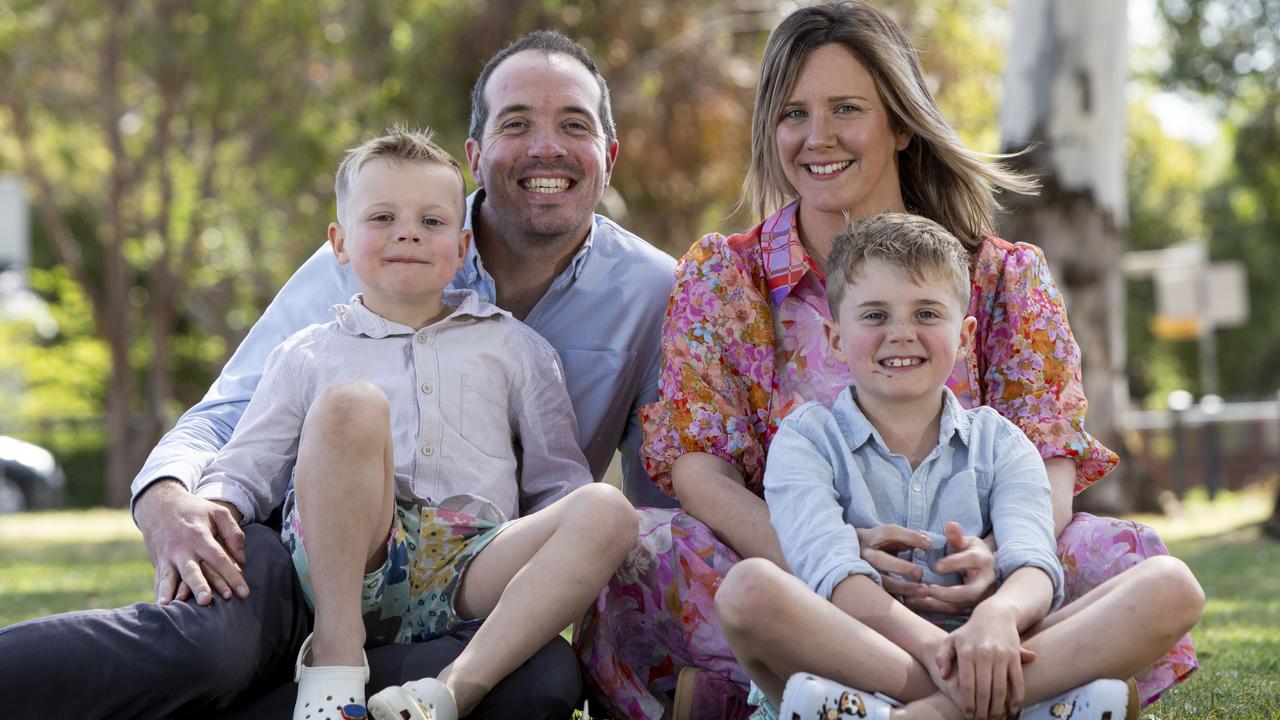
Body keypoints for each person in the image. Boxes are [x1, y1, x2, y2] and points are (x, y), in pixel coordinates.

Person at [0, 31, 676, 718]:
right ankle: (321, 661)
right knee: (209, 648)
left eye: (573, 124)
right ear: (477, 156)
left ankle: (410, 696)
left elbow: (627, 498)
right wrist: (175, 500)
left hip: (468, 576)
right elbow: (233, 427)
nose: (545, 148)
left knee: (543, 683)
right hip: (306, 569)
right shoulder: (343, 287)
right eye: (516, 123)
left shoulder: (619, 306)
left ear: (608, 156)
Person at [575, 3, 1198, 718]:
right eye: (793, 114)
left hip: (981, 572)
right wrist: (825, 553)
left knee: (1131, 559)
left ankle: (901, 705)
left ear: (901, 123)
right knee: (646, 560)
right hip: (794, 562)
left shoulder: (1001, 276)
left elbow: (1047, 456)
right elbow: (697, 468)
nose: (818, 138)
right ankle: (1018, 693)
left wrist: (999, 563)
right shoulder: (724, 275)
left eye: (847, 109)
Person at [188, 127, 637, 720]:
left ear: (462, 245)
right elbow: (247, 467)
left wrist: (575, 543)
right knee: (353, 405)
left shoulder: (514, 347)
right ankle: (335, 664)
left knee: (608, 509)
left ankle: (445, 694)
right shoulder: (308, 353)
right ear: (340, 242)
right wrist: (212, 503)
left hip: (471, 561)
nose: (408, 232)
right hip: (352, 560)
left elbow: (559, 482)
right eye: (382, 217)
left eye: (431, 221)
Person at [715, 212, 1202, 720]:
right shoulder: (806, 441)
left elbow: (1034, 561)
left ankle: (920, 716)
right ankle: (1011, 707)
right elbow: (831, 576)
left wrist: (998, 615)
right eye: (875, 315)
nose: (901, 333)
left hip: (991, 648)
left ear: (965, 334)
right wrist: (936, 650)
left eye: (927, 313)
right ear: (836, 339)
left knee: (1172, 585)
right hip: (852, 655)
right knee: (748, 590)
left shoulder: (1002, 444)